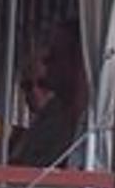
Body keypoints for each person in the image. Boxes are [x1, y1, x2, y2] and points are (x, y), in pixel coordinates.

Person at [11, 19, 88, 168]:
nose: (47, 66)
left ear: (77, 62)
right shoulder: (50, 114)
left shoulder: (94, 117)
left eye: (53, 57)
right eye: (26, 86)